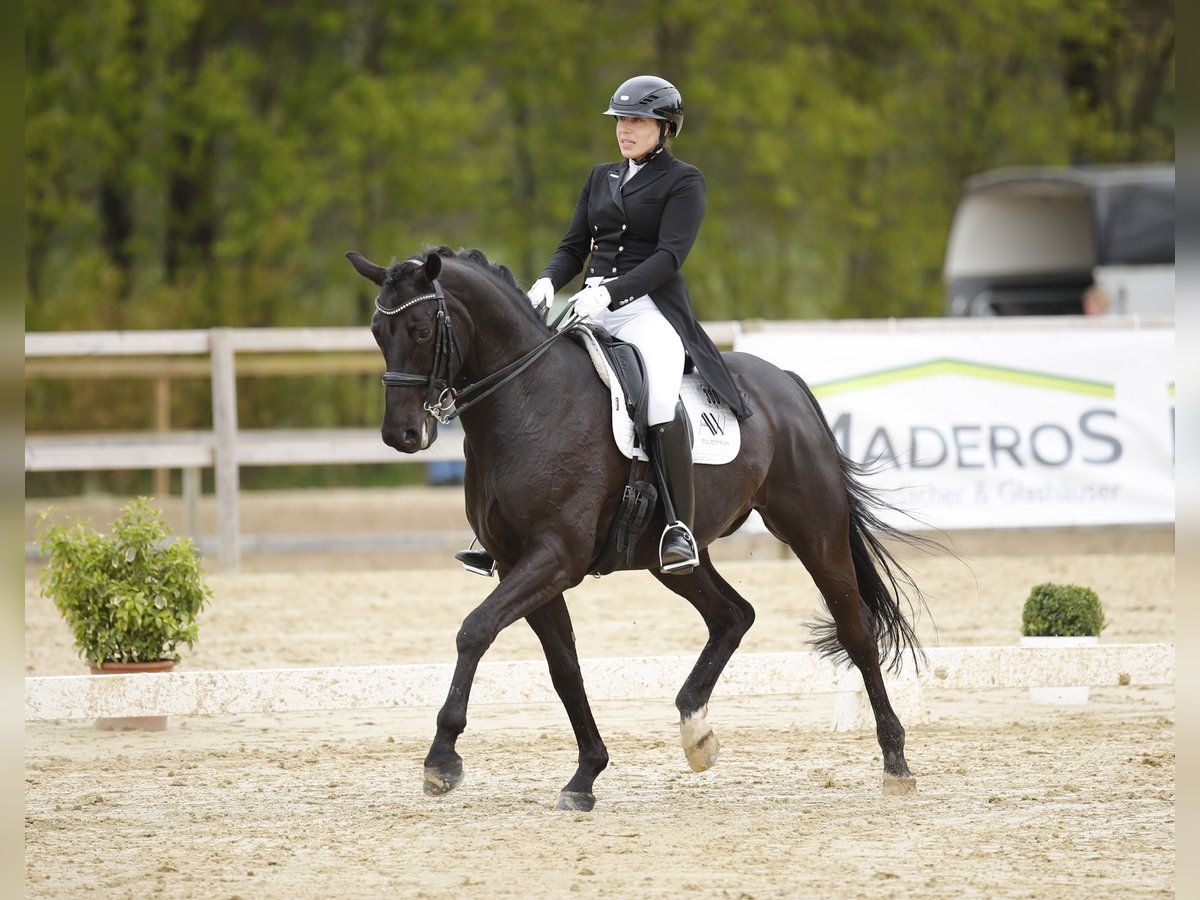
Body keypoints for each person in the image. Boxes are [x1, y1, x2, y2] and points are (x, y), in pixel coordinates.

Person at [456, 74, 750, 577]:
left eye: (636, 120)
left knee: (658, 399)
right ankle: (496, 525)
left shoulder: (684, 181)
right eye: (620, 120)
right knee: (527, 387)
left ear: (665, 127)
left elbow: (669, 257)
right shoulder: (601, 177)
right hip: (589, 305)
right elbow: (573, 247)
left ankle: (678, 526)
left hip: (649, 311)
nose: (625, 129)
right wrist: (549, 282)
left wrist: (610, 292)